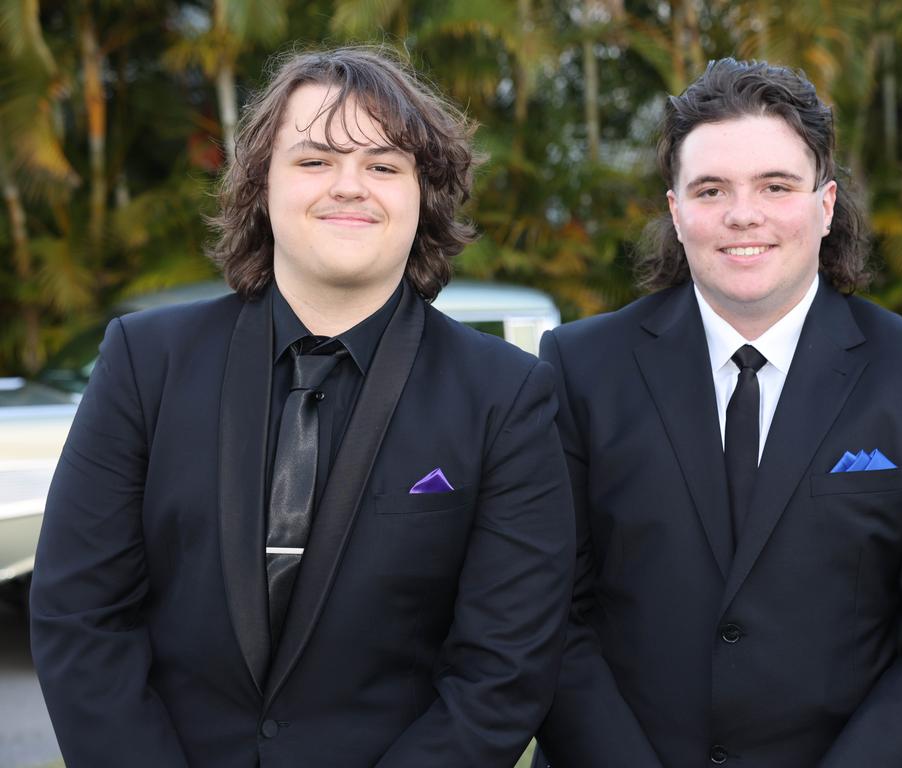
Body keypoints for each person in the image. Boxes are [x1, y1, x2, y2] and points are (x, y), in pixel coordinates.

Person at [31, 46, 574, 768]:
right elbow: (80, 615)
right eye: (314, 160)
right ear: (260, 186)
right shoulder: (144, 361)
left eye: (384, 165)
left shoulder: (507, 396)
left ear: (425, 194)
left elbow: (503, 669)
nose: (350, 186)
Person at [533, 58, 902, 767]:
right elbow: (549, 617)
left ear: (825, 206)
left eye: (775, 185)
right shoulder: (578, 369)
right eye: (711, 189)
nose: (743, 213)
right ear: (675, 211)